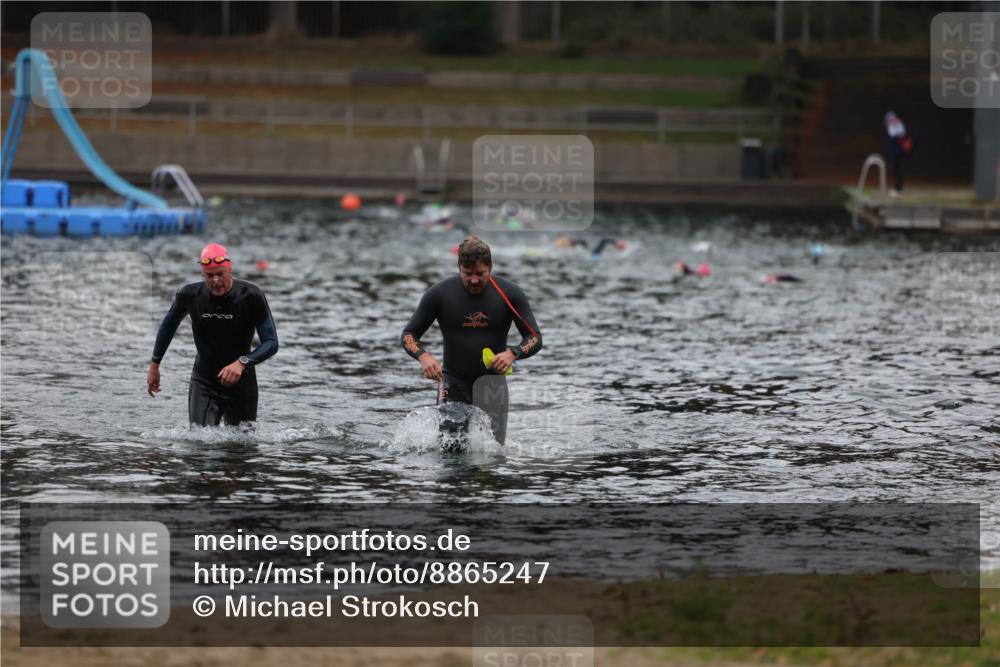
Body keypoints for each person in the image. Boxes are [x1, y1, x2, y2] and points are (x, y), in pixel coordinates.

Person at [401, 235, 542, 445]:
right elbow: (409, 334)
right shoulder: (439, 294)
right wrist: (423, 357)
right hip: (453, 381)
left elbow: (535, 337)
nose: (474, 280)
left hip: (492, 384)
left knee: (493, 453)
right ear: (459, 267)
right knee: (451, 450)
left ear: (490, 267)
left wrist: (513, 353)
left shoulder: (510, 294)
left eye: (480, 274)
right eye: (467, 274)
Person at [147, 243, 279, 426]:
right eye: (210, 275)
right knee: (199, 439)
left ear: (230, 270)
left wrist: (242, 363)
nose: (216, 280)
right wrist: (154, 365)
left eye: (220, 273)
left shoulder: (251, 295)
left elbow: (271, 343)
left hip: (242, 383)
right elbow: (168, 327)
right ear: (203, 274)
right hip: (204, 382)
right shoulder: (189, 295)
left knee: (241, 442)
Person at [884, 111, 910, 195]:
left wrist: (897, 124)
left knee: (899, 169)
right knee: (894, 169)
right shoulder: (890, 127)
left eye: (893, 119)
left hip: (900, 151)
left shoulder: (899, 125)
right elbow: (891, 134)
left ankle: (899, 187)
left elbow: (902, 134)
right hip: (893, 152)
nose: (892, 121)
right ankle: (896, 186)